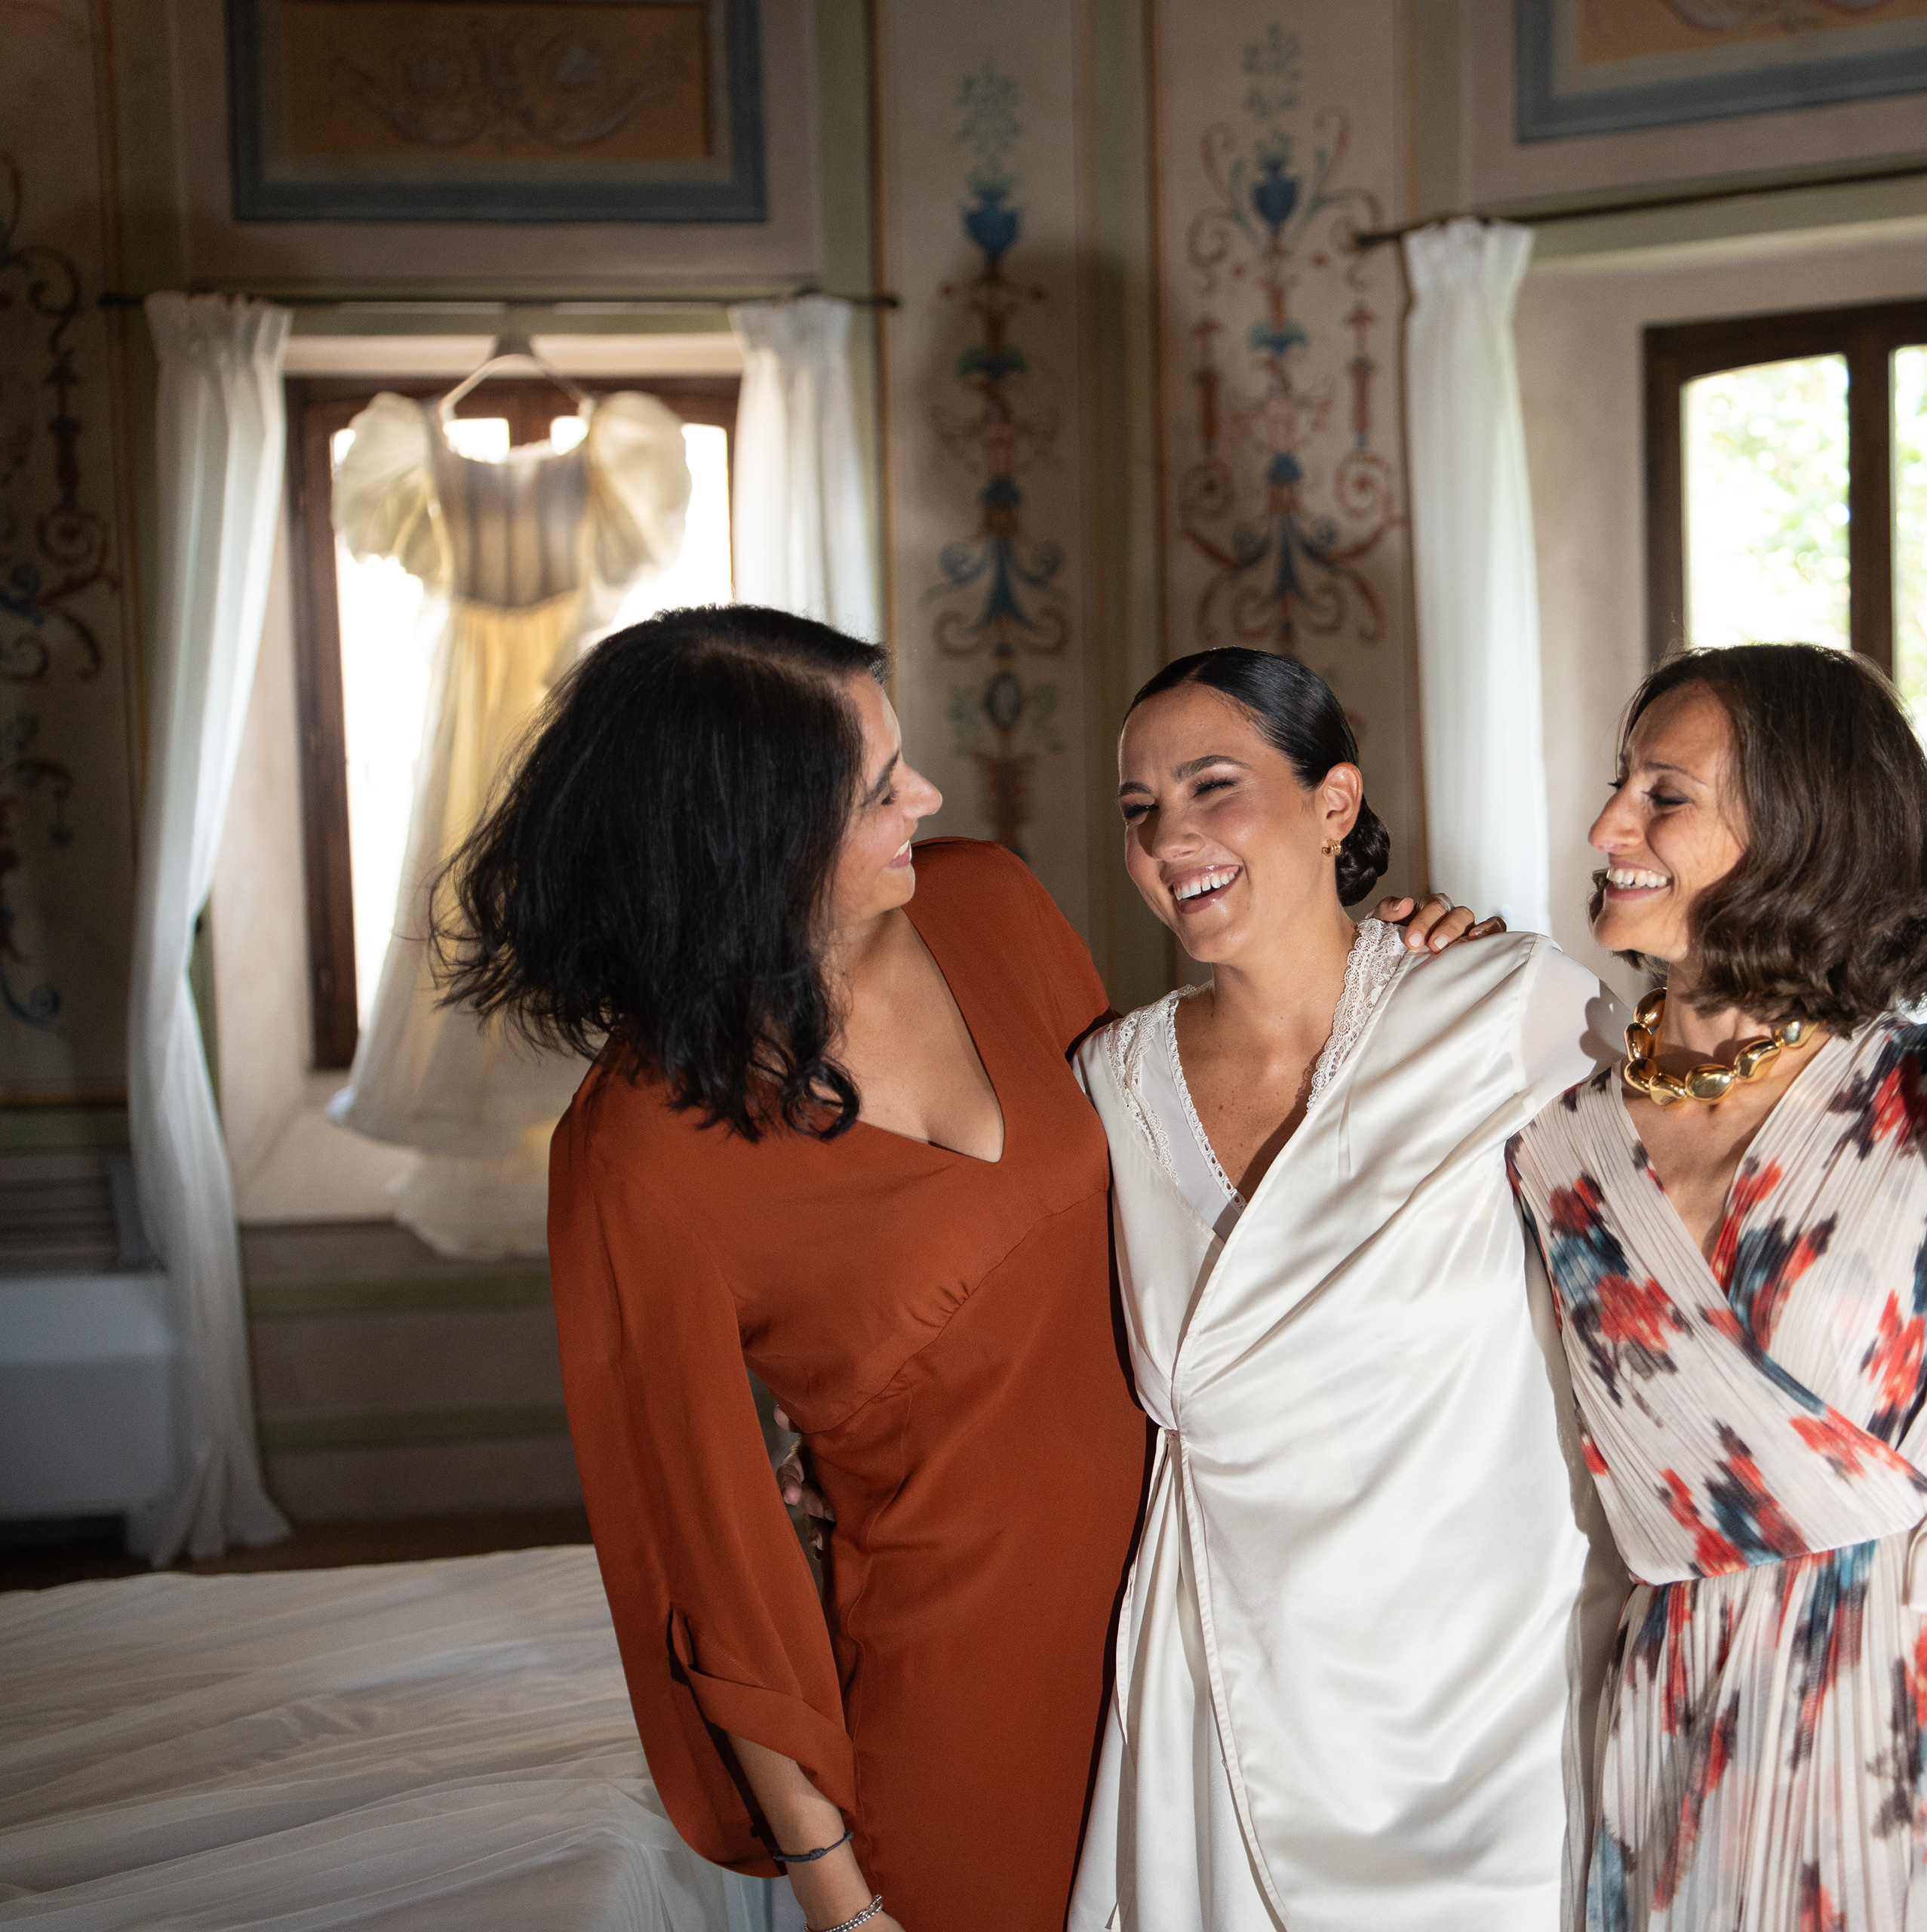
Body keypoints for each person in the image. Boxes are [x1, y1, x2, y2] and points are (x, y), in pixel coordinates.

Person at [437, 607, 1480, 1932]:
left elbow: (1196, 1166)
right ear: (747, 834)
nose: (925, 797)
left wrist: (1401, 985)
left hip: (1216, 1622)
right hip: (965, 1692)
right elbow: (704, 1553)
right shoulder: (633, 1154)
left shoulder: (989, 903)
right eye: (877, 789)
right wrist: (838, 1894)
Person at [1505, 643, 1927, 1930]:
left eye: (1664, 795)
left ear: (1798, 833)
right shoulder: (1551, 1143)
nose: (1607, 827)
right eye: (1619, 785)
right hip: (1685, 1728)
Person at [1066, 648, 1629, 1932]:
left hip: (1498, 1710)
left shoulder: (1507, 1008)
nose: (1170, 838)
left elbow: (1664, 1276)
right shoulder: (1109, 1083)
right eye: (1140, 808)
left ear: (1335, 803)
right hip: (1227, 1687)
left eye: (1213, 786)